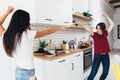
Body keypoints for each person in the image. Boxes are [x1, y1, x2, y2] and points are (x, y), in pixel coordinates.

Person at [2, 9, 68, 80]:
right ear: (23, 21)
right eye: (28, 20)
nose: (29, 23)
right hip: (27, 72)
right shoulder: (28, 34)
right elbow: (48, 31)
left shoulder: (7, 35)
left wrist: (7, 12)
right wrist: (60, 27)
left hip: (20, 71)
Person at [80, 13, 114, 80]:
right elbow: (89, 29)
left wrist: (107, 17)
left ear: (103, 29)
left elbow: (112, 24)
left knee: (105, 73)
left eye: (99, 28)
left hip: (106, 56)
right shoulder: (94, 34)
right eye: (97, 28)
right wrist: (83, 25)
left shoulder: (105, 33)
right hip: (97, 56)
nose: (97, 30)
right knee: (93, 73)